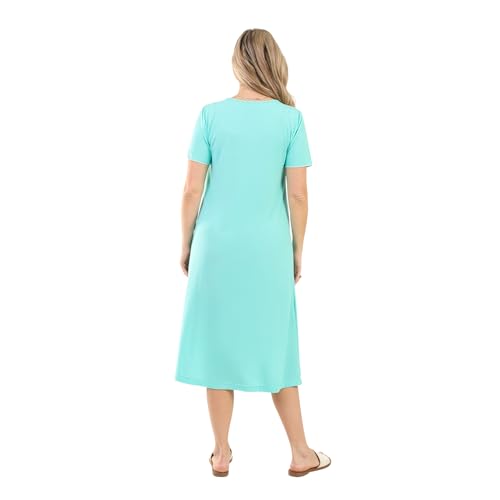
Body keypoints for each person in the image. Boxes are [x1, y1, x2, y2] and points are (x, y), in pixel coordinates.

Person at [175, 28, 330, 477]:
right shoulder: (290, 119)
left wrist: (186, 243)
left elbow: (191, 189)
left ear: (237, 63)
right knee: (278, 347)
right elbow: (298, 196)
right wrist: (297, 250)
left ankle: (221, 453)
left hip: (215, 248)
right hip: (268, 251)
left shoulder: (210, 115)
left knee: (218, 349)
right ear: (274, 62)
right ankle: (300, 453)